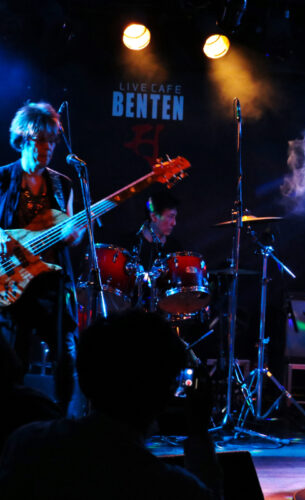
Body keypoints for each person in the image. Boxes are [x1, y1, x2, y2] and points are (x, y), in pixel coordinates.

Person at [0, 309, 222, 499]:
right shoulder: (173, 488)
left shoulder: (26, 443)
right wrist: (199, 434)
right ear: (167, 390)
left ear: (84, 379)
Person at [0, 101, 83, 415]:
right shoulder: (3, 179)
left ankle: (62, 418)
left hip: (50, 284)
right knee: (13, 356)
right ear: (23, 139)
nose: (48, 148)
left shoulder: (63, 184)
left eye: (52, 141)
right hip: (10, 281)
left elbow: (70, 230)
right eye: (41, 140)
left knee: (66, 353)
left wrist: (73, 235)